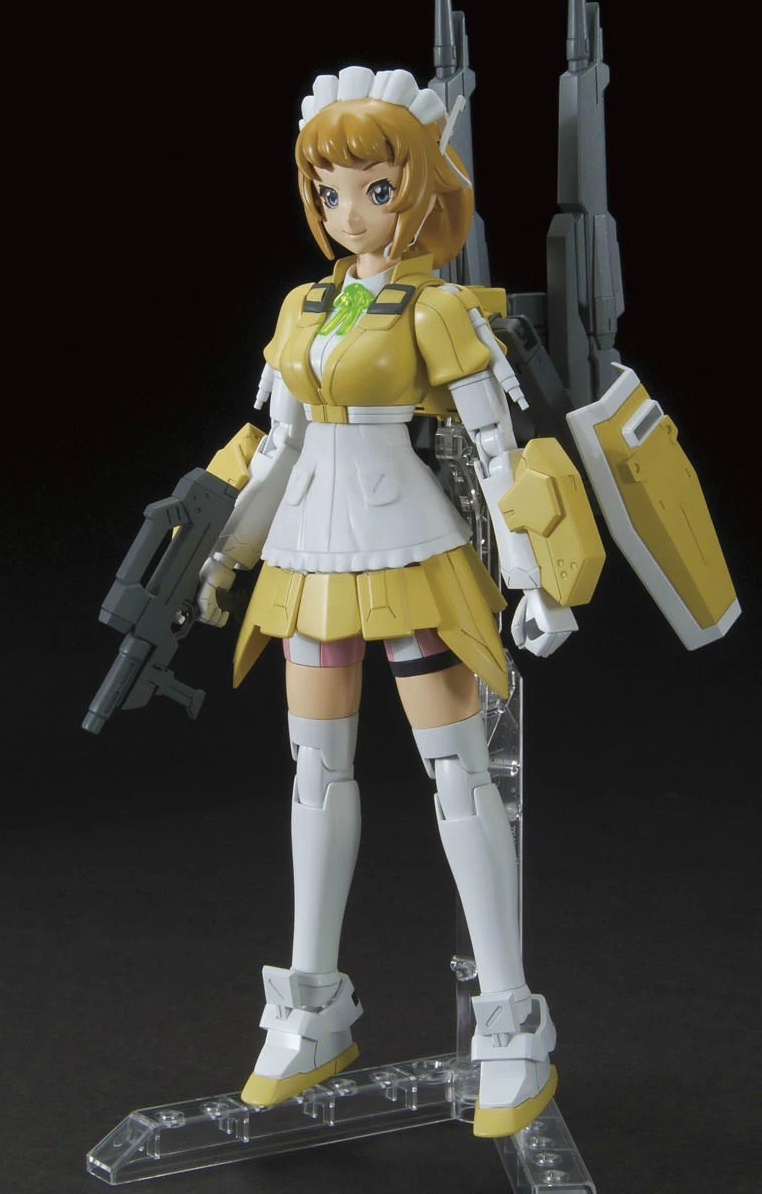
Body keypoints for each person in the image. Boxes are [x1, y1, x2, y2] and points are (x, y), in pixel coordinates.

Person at [194, 65, 594, 1138]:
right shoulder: (303, 307)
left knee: (459, 772)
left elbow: (498, 450)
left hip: (408, 546)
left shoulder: (439, 308)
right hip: (307, 557)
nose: (349, 213)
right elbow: (274, 448)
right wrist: (221, 554)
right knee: (314, 770)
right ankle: (312, 1006)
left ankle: (510, 1020)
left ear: (418, 191)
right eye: (329, 192)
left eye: (374, 189)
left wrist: (534, 577)